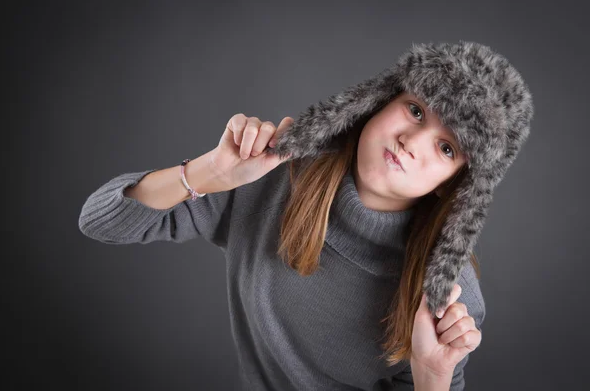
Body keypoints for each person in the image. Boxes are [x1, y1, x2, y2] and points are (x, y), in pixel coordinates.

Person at [78, 40, 534, 390]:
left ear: (453, 184)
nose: (411, 142)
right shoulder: (271, 176)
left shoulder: (448, 299)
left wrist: (432, 377)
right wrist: (210, 172)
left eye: (446, 147)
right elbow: (99, 221)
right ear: (380, 100)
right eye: (415, 110)